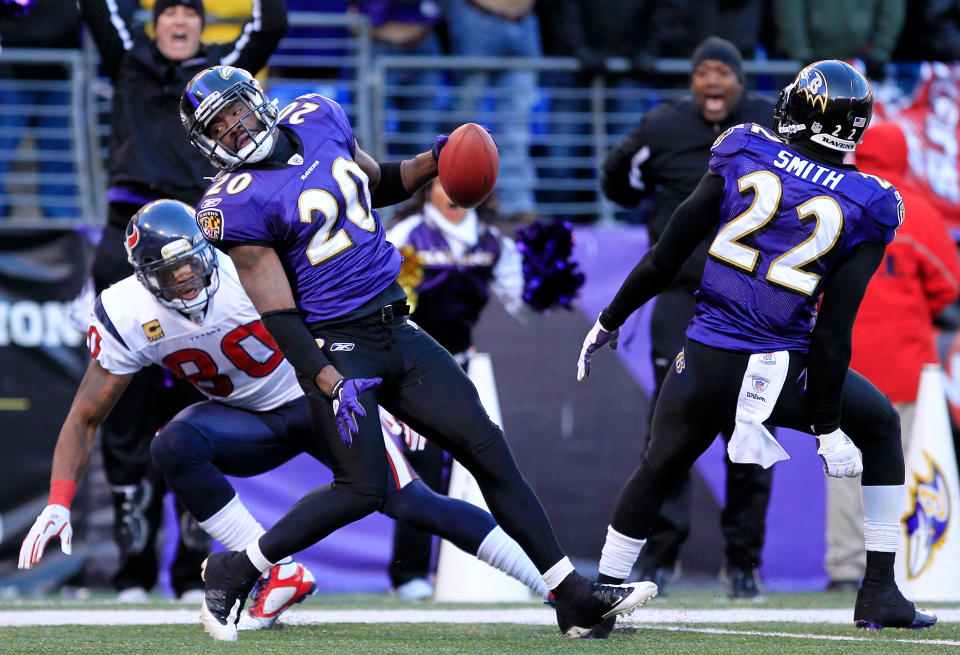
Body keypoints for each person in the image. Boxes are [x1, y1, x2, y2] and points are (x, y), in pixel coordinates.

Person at [178, 64, 655, 641]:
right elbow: (278, 313)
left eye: (235, 110)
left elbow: (375, 184)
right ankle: (236, 567)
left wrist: (435, 161)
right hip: (338, 343)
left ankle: (571, 595)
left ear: (257, 101)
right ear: (208, 142)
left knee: (488, 450)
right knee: (363, 489)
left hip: (397, 328)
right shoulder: (233, 203)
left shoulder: (317, 116)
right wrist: (328, 379)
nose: (233, 127)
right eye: (218, 124)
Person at [18, 199, 550, 629]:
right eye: (167, 272)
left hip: (321, 401)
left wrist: (388, 398)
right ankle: (275, 572)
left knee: (413, 503)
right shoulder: (126, 310)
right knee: (173, 443)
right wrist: (60, 501)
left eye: (188, 263)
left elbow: (353, 332)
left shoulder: (249, 261)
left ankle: (551, 581)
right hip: (244, 420)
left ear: (207, 248)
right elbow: (85, 415)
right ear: (142, 278)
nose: (183, 279)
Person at [578, 60, 938, 636]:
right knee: (878, 425)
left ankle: (600, 593)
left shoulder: (743, 148)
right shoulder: (870, 202)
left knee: (659, 464)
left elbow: (666, 255)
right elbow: (831, 333)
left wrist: (609, 318)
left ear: (802, 110)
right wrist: (824, 424)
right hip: (780, 370)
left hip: (704, 357)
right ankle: (878, 590)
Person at [77, 0, 287, 600]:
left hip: (205, 237)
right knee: (125, 406)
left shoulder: (221, 74)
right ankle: (133, 571)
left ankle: (195, 567)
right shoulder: (127, 60)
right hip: (127, 238)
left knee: (205, 404)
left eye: (189, 12)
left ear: (201, 23)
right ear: (152, 22)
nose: (178, 21)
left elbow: (270, 23)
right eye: (167, 10)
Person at [601, 36, 776, 599]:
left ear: (741, 80)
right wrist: (634, 184)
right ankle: (661, 557)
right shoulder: (663, 124)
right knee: (671, 428)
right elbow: (616, 175)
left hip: (751, 300)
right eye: (703, 71)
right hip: (681, 296)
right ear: (692, 80)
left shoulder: (768, 124)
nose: (712, 80)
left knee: (750, 427)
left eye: (724, 70)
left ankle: (744, 562)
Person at [824, 121, 960, 589]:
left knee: (844, 470)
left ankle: (845, 569)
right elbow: (948, 288)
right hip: (906, 369)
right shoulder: (916, 211)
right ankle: (903, 568)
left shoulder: (834, 200)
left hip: (842, 364)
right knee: (901, 470)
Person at [384, 178, 527, 599]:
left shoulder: (493, 242)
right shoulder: (407, 236)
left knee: (482, 464)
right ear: (427, 192)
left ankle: (503, 566)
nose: (451, 196)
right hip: (413, 369)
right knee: (422, 467)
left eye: (461, 184)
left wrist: (550, 279)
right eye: (442, 186)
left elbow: (525, 304)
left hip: (462, 367)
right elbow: (392, 302)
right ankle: (409, 575)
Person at [443, 0, 540, 221]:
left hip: (525, 21)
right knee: (465, 122)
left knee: (518, 123)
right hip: (476, 17)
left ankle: (516, 204)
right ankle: (460, 198)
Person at [772, 0, 905, 80]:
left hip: (864, 64)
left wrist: (879, 51)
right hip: (806, 63)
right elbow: (789, 9)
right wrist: (801, 51)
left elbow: (891, 9)